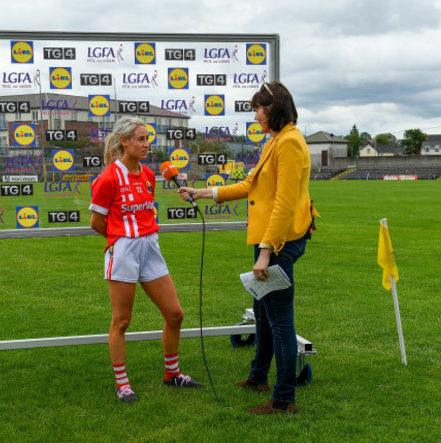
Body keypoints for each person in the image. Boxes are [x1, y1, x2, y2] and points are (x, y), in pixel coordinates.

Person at [178, 81, 317, 415]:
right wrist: (204, 193)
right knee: (262, 315)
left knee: (280, 321)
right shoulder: (276, 141)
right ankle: (258, 378)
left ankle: (283, 400)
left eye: (257, 108)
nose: (254, 115)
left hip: (279, 243)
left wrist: (267, 251)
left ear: (274, 108)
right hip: (269, 240)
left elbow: (284, 203)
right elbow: (250, 185)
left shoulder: (290, 143)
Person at [89, 116, 202, 403]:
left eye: (147, 139)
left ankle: (172, 374)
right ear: (123, 141)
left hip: (150, 247)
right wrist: (120, 239)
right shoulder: (108, 178)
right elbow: (96, 222)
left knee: (175, 314)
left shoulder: (150, 175)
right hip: (124, 250)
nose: (146, 144)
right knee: (122, 321)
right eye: (140, 139)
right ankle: (123, 384)